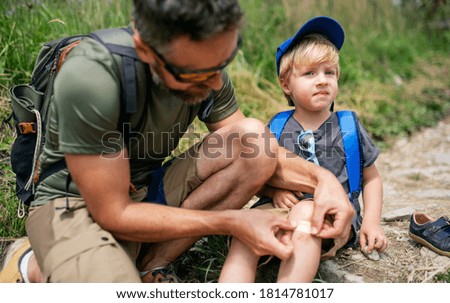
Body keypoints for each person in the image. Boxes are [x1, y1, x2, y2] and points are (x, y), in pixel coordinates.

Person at [0, 2, 354, 283]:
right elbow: (115, 212)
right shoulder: (91, 76)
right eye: (198, 73)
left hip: (143, 188)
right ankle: (31, 265)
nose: (216, 84)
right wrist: (231, 222)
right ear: (145, 47)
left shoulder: (204, 62)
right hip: (76, 204)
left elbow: (259, 150)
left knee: (253, 139)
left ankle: (150, 263)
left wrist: (323, 182)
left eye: (224, 63)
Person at [219, 16, 387, 283]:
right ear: (286, 84)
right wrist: (274, 190)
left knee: (306, 216)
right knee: (247, 229)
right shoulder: (275, 126)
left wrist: (371, 222)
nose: (322, 81)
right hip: (276, 208)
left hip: (329, 214)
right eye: (310, 73)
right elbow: (256, 175)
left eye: (329, 72)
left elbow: (371, 177)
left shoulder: (347, 125)